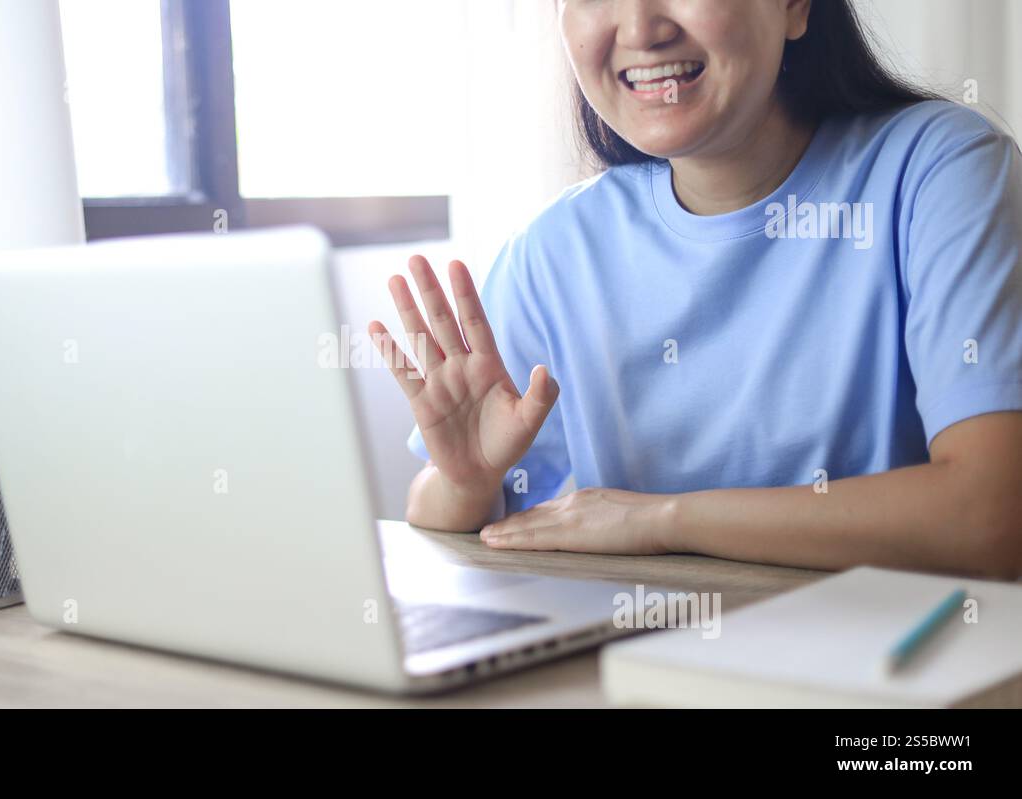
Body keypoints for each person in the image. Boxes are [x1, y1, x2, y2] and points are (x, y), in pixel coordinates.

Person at [368, 0, 1022, 578]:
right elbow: (439, 511)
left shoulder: (940, 170)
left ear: (796, 6)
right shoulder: (556, 248)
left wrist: (661, 521)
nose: (640, 27)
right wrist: (466, 482)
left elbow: (992, 514)